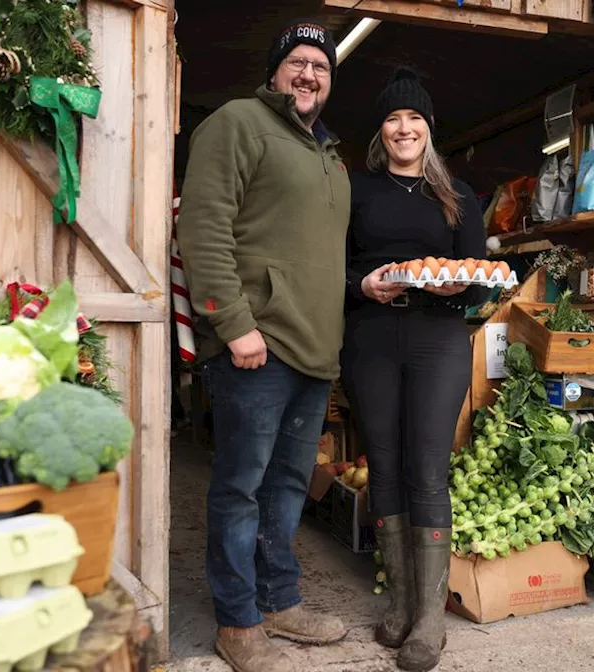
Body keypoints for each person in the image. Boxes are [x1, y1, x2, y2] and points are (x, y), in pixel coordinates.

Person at [174, 18, 352, 672]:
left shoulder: (329, 154)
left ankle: (279, 600)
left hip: (314, 352)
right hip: (258, 346)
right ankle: (238, 621)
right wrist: (232, 322)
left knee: (286, 488)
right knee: (241, 488)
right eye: (299, 62)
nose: (310, 74)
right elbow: (203, 227)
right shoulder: (237, 123)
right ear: (276, 71)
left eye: (322, 67)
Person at [340, 68, 486, 672]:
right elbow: (334, 266)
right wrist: (361, 284)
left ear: (429, 129)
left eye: (414, 119)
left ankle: (429, 620)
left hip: (438, 336)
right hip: (371, 335)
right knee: (384, 461)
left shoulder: (458, 196)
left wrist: (461, 285)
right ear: (383, 130)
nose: (404, 128)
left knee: (428, 465)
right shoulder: (356, 190)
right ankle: (400, 603)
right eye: (394, 118)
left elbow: (482, 282)